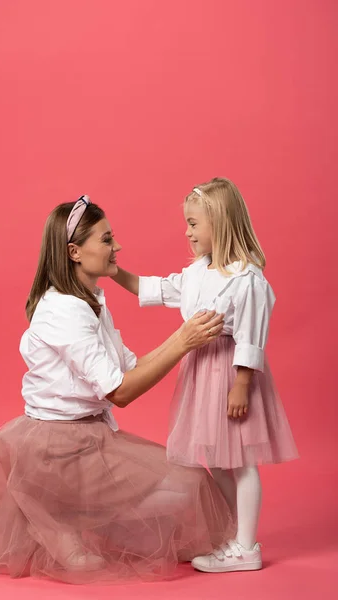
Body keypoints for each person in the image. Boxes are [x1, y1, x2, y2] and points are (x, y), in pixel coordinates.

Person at [0, 196, 235, 585]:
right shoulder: (63, 311)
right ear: (74, 251)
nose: (117, 247)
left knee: (190, 486)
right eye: (107, 240)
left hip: (90, 438)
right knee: (187, 490)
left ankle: (65, 516)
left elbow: (131, 366)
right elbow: (119, 392)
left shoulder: (92, 302)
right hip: (57, 449)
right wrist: (182, 341)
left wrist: (187, 341)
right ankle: (56, 513)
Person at [113, 178, 299, 573]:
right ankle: (232, 535)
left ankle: (246, 547)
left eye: (194, 223)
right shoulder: (199, 272)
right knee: (218, 459)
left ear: (219, 222)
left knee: (242, 462)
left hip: (231, 376)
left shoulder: (245, 278)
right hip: (202, 373)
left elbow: (251, 336)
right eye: (187, 223)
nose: (187, 231)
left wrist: (242, 385)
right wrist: (115, 274)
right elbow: (160, 289)